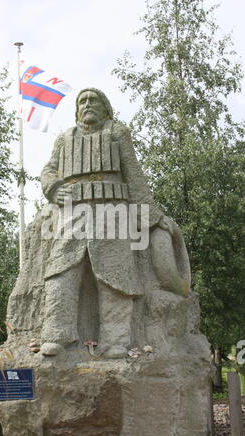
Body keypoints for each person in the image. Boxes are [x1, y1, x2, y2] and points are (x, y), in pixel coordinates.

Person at [40, 88, 189, 358]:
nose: (87, 104)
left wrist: (151, 216)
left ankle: (116, 340)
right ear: (76, 110)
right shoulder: (65, 138)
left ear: (105, 107)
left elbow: (134, 174)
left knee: (114, 277)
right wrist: (52, 187)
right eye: (82, 101)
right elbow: (49, 169)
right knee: (61, 272)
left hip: (112, 210)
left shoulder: (117, 132)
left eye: (93, 99)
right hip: (72, 212)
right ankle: (56, 335)